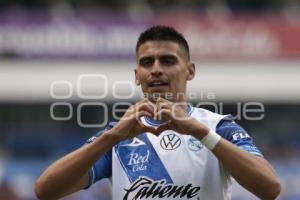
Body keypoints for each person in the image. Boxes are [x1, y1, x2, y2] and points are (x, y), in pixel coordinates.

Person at [35, 26, 281, 200]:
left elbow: (270, 188)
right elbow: (45, 190)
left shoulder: (217, 127)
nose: (155, 70)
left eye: (167, 61)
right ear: (136, 75)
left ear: (190, 71)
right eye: (146, 62)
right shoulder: (118, 134)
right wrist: (110, 138)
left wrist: (200, 132)